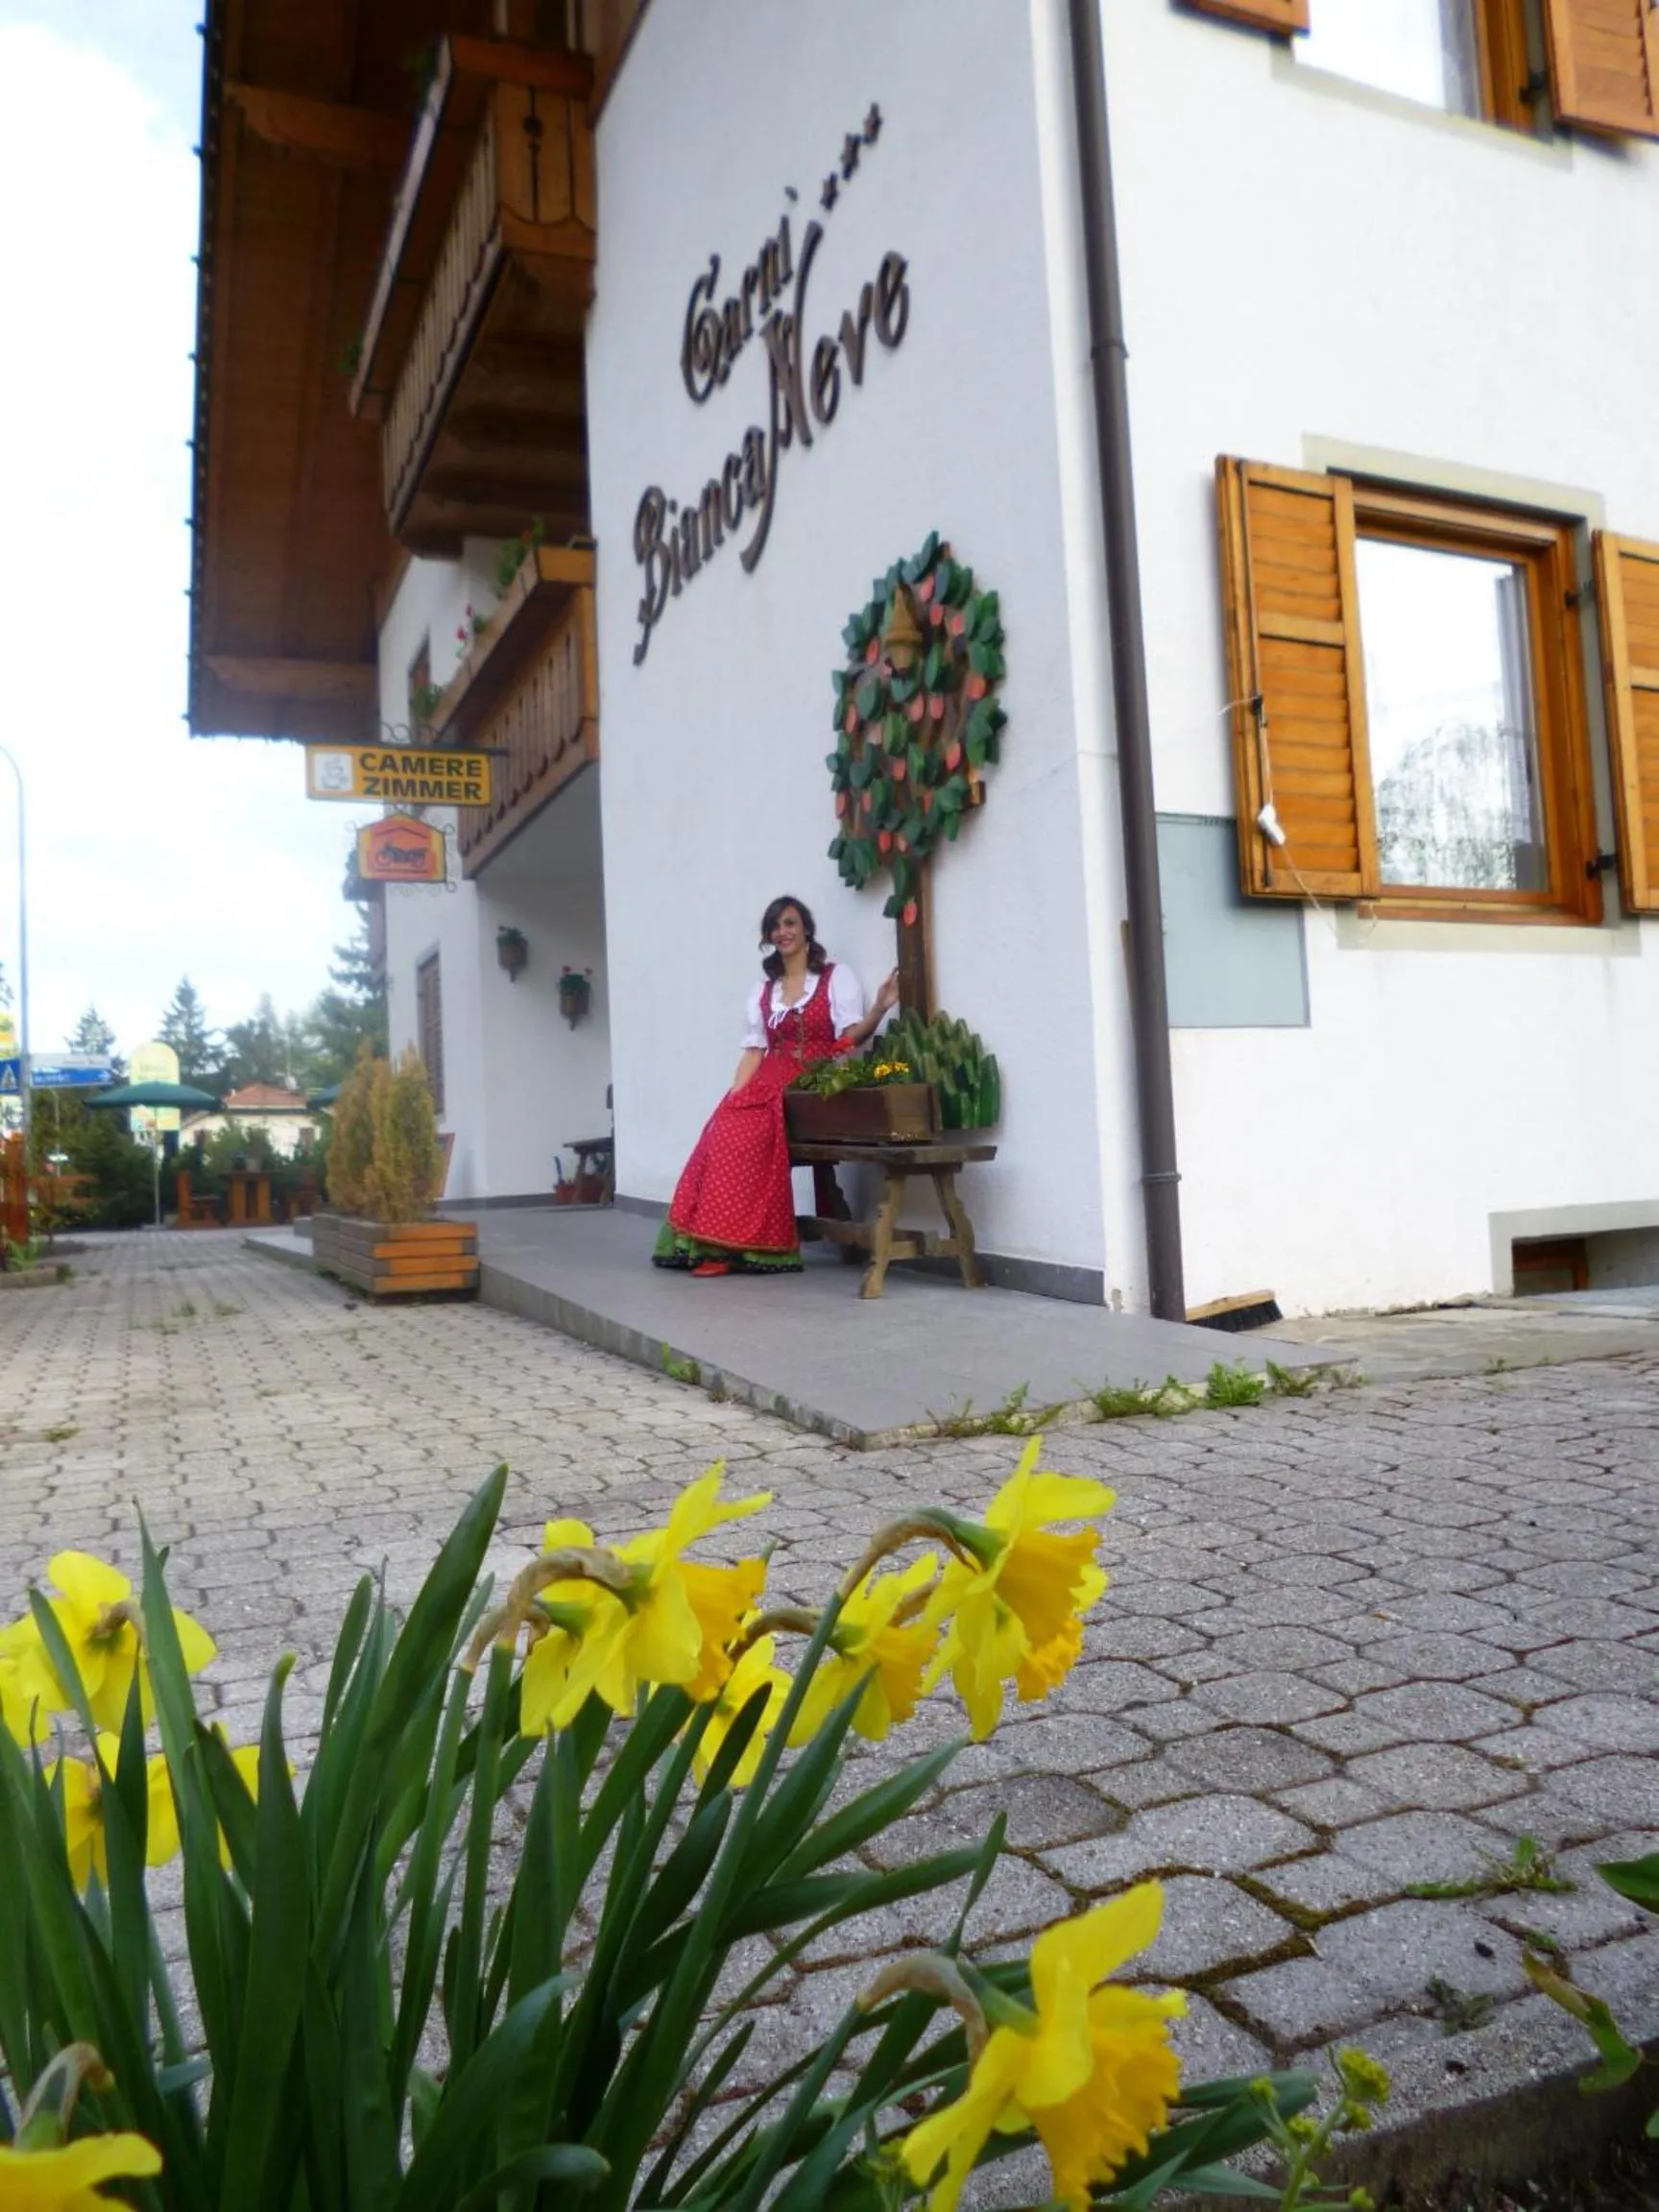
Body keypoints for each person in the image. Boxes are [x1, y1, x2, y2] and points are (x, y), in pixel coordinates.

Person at [653, 895, 900, 1276]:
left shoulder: (835, 977)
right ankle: (709, 1240)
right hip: (769, 1076)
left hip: (812, 1077)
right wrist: (733, 1099)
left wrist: (880, 1007)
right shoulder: (765, 991)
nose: (782, 932)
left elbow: (850, 1037)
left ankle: (730, 1248)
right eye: (776, 926)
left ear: (805, 929)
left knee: (747, 1135)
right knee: (720, 1130)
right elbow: (753, 1054)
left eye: (789, 923)